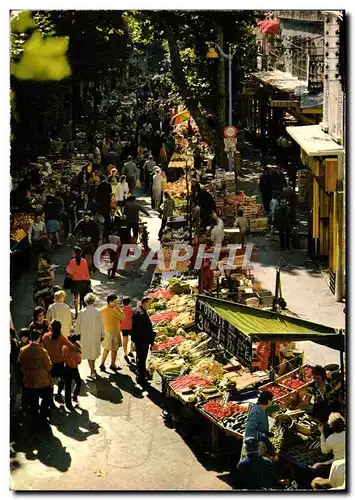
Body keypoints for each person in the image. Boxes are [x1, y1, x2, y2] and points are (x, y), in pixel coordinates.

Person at [19, 329, 52, 423]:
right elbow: (48, 366)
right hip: (42, 380)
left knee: (33, 401)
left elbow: (21, 365)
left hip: (29, 380)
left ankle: (34, 417)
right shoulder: (42, 351)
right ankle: (43, 415)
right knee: (46, 398)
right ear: (39, 338)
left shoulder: (23, 350)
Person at [75, 293, 105, 380]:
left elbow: (78, 324)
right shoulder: (97, 312)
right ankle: (92, 370)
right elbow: (102, 325)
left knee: (88, 353)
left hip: (85, 335)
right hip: (95, 335)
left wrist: (77, 333)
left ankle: (92, 370)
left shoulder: (82, 312)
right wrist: (103, 334)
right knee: (94, 352)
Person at [42, 319, 72, 404]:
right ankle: (58, 394)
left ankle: (50, 399)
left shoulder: (45, 336)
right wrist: (77, 349)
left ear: (51, 327)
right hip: (60, 362)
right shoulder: (61, 338)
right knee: (61, 379)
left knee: (50, 381)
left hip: (49, 362)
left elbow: (42, 349)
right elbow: (70, 345)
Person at [131, 297, 155, 393]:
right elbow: (145, 331)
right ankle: (141, 378)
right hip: (142, 341)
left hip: (138, 340)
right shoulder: (141, 314)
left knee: (139, 359)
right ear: (144, 303)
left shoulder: (137, 310)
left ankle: (140, 376)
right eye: (149, 304)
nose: (150, 306)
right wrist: (152, 341)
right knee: (141, 359)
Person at [99, 294, 125, 372]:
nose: (116, 304)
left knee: (106, 349)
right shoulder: (114, 310)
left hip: (106, 332)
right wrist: (118, 308)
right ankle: (112, 364)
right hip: (114, 332)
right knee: (114, 349)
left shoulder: (102, 309)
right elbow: (123, 317)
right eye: (115, 302)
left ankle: (102, 363)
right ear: (110, 302)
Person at [244, 390, 274, 455]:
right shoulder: (256, 413)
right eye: (272, 401)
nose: (272, 402)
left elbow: (272, 410)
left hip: (262, 440)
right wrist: (264, 434)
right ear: (269, 401)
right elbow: (249, 431)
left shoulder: (263, 408)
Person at [66, 246, 90, 318]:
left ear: (74, 253)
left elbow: (68, 271)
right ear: (81, 252)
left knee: (75, 297)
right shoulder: (84, 261)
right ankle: (82, 310)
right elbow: (86, 272)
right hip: (84, 281)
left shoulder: (72, 261)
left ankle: (76, 312)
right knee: (83, 297)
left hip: (75, 281)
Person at [62, 333, 82, 411]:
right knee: (78, 382)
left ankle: (68, 404)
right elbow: (79, 361)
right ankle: (75, 395)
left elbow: (63, 357)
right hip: (74, 369)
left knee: (67, 386)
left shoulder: (65, 347)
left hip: (66, 367)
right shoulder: (76, 348)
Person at [121, 296, 134, 363]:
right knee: (132, 340)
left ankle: (125, 354)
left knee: (125, 340)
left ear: (123, 303)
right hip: (131, 327)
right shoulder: (131, 310)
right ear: (129, 303)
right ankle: (130, 351)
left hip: (124, 327)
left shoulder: (121, 310)